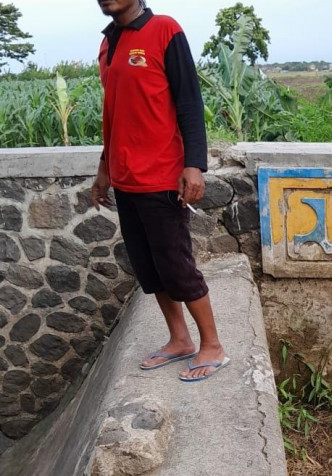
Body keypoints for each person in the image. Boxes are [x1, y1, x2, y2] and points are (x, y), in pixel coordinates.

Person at [91, 0, 229, 381]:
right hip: (125, 178)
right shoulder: (108, 43)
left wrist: (194, 165)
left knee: (176, 264)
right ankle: (179, 339)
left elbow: (189, 102)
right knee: (148, 267)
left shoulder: (165, 30)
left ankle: (213, 345)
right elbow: (114, 113)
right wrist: (104, 170)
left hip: (161, 175)